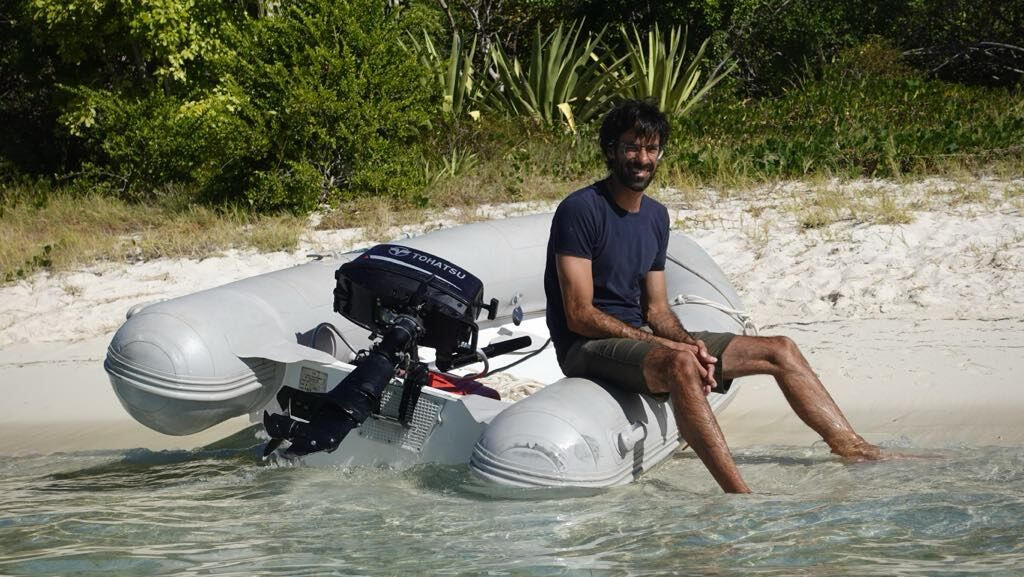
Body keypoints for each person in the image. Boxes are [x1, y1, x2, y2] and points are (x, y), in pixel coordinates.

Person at [543, 99, 886, 494]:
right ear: (611, 150)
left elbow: (657, 309)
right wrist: (670, 348)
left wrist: (692, 344)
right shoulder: (581, 210)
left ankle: (854, 448)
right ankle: (740, 495)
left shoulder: (656, 216)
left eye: (652, 149)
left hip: (638, 336)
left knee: (780, 349)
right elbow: (579, 314)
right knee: (679, 362)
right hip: (585, 347)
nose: (642, 159)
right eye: (632, 148)